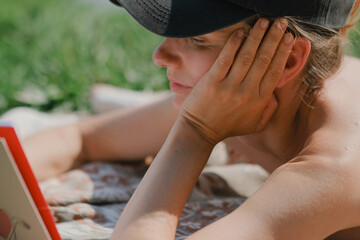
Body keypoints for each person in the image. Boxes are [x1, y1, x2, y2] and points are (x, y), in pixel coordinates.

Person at [23, 0, 360, 239]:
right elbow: (80, 139)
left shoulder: (334, 168)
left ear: (285, 61)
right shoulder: (251, 91)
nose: (160, 56)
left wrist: (196, 132)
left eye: (198, 38)